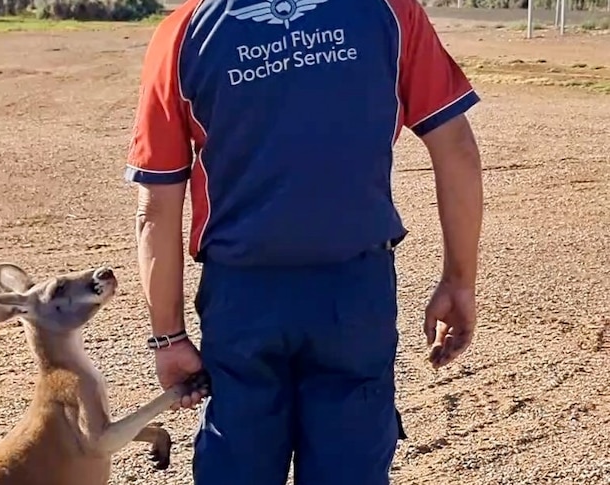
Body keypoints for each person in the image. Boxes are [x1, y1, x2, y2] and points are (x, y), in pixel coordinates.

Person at [124, 0, 483, 483]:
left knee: (238, 464)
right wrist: (459, 280)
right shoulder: (390, 12)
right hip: (353, 292)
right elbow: (455, 146)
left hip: (242, 299)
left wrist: (168, 337)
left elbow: (156, 208)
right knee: (348, 463)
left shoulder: (182, 33)